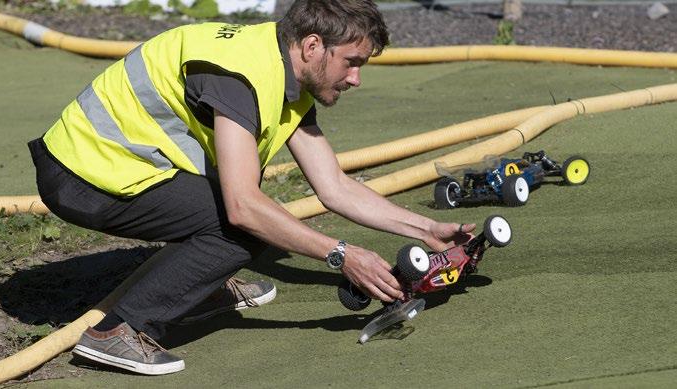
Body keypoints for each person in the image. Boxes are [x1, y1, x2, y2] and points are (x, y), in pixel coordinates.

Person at [28, 0, 475, 376]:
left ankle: (200, 282)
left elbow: (334, 186)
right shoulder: (242, 76)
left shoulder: (282, 68)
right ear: (314, 45)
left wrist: (426, 229)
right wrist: (343, 255)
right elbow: (244, 208)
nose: (356, 78)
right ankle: (118, 330)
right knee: (246, 226)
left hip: (120, 165)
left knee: (255, 213)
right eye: (352, 62)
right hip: (84, 175)